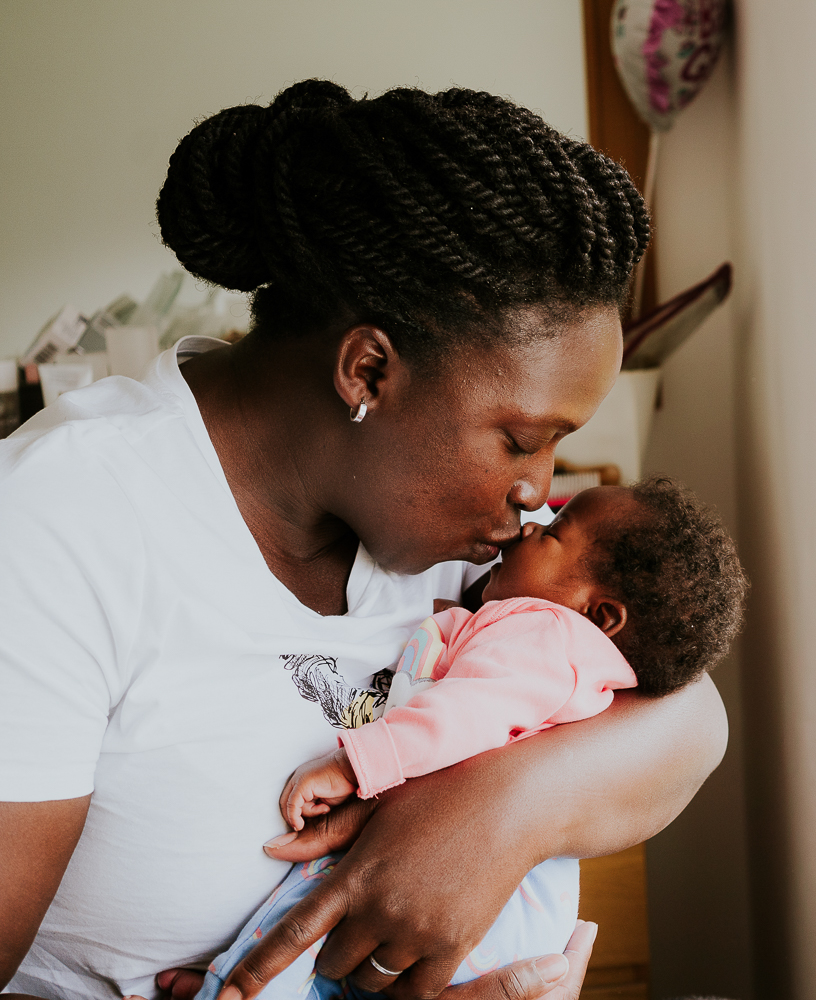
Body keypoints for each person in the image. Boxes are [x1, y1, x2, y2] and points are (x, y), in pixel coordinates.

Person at [0, 80, 728, 1000]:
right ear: (369, 370)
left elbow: (692, 715)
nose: (539, 493)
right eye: (521, 438)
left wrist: (494, 817)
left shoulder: (454, 536)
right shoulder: (59, 526)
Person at [200, 480, 747, 1000]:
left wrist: (355, 765)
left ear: (600, 614)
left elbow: (467, 712)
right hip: (513, 924)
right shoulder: (575, 656)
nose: (533, 522)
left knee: (305, 906)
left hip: (470, 897)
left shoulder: (546, 633)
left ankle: (226, 985)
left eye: (554, 530)